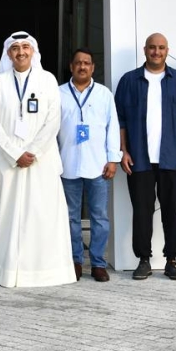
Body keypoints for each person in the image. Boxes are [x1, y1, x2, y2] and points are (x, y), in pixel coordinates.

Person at [0, 31, 75, 287]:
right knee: (10, 215)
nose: (21, 52)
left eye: (25, 47)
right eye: (15, 48)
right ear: (8, 54)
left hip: (41, 160)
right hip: (8, 162)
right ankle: (8, 271)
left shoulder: (47, 80)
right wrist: (15, 154)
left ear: (33, 51)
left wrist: (32, 151)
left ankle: (46, 272)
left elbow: (53, 120)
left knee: (42, 215)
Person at [115, 33, 176, 280]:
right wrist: (123, 151)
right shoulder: (129, 81)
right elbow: (120, 119)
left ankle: (172, 260)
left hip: (173, 158)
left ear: (167, 51)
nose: (156, 52)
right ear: (145, 50)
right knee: (142, 211)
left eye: (161, 48)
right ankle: (143, 260)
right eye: (152, 47)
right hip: (139, 159)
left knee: (172, 210)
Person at [57, 48, 121, 283]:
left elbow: (113, 127)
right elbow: (51, 130)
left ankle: (98, 263)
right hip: (67, 164)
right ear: (71, 67)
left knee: (100, 217)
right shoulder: (58, 94)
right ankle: (74, 261)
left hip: (98, 165)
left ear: (93, 67)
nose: (82, 66)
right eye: (78, 63)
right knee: (70, 217)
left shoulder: (104, 94)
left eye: (86, 63)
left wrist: (113, 159)